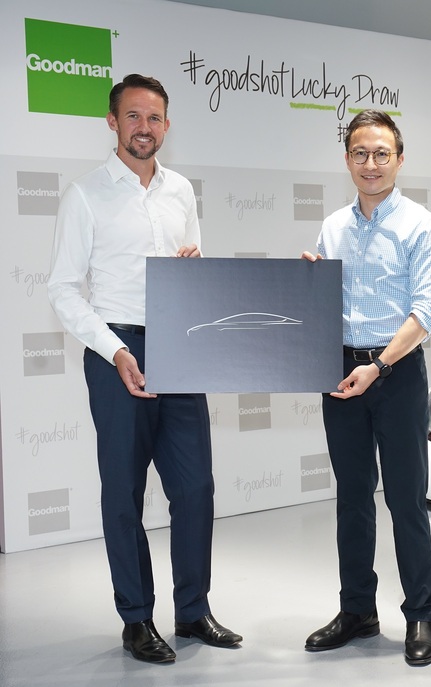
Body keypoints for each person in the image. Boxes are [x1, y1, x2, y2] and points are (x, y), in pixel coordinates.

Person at [48, 74, 241, 664]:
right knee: (124, 492)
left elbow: (193, 267)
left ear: (167, 125)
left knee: (196, 487)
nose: (144, 127)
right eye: (133, 116)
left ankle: (193, 611)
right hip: (118, 352)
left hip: (180, 348)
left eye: (154, 118)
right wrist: (116, 351)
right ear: (112, 122)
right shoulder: (85, 195)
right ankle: (136, 619)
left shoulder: (180, 191)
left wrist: (195, 266)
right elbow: (62, 289)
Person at [301, 109, 431, 666]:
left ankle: (421, 615)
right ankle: (357, 610)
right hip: (340, 373)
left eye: (381, 154)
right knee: (352, 498)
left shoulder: (422, 227)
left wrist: (380, 366)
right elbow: (324, 305)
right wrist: (309, 283)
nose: (371, 164)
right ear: (347, 160)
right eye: (361, 153)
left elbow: (427, 311)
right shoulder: (332, 227)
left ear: (399, 159)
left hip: (396, 374)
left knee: (406, 500)